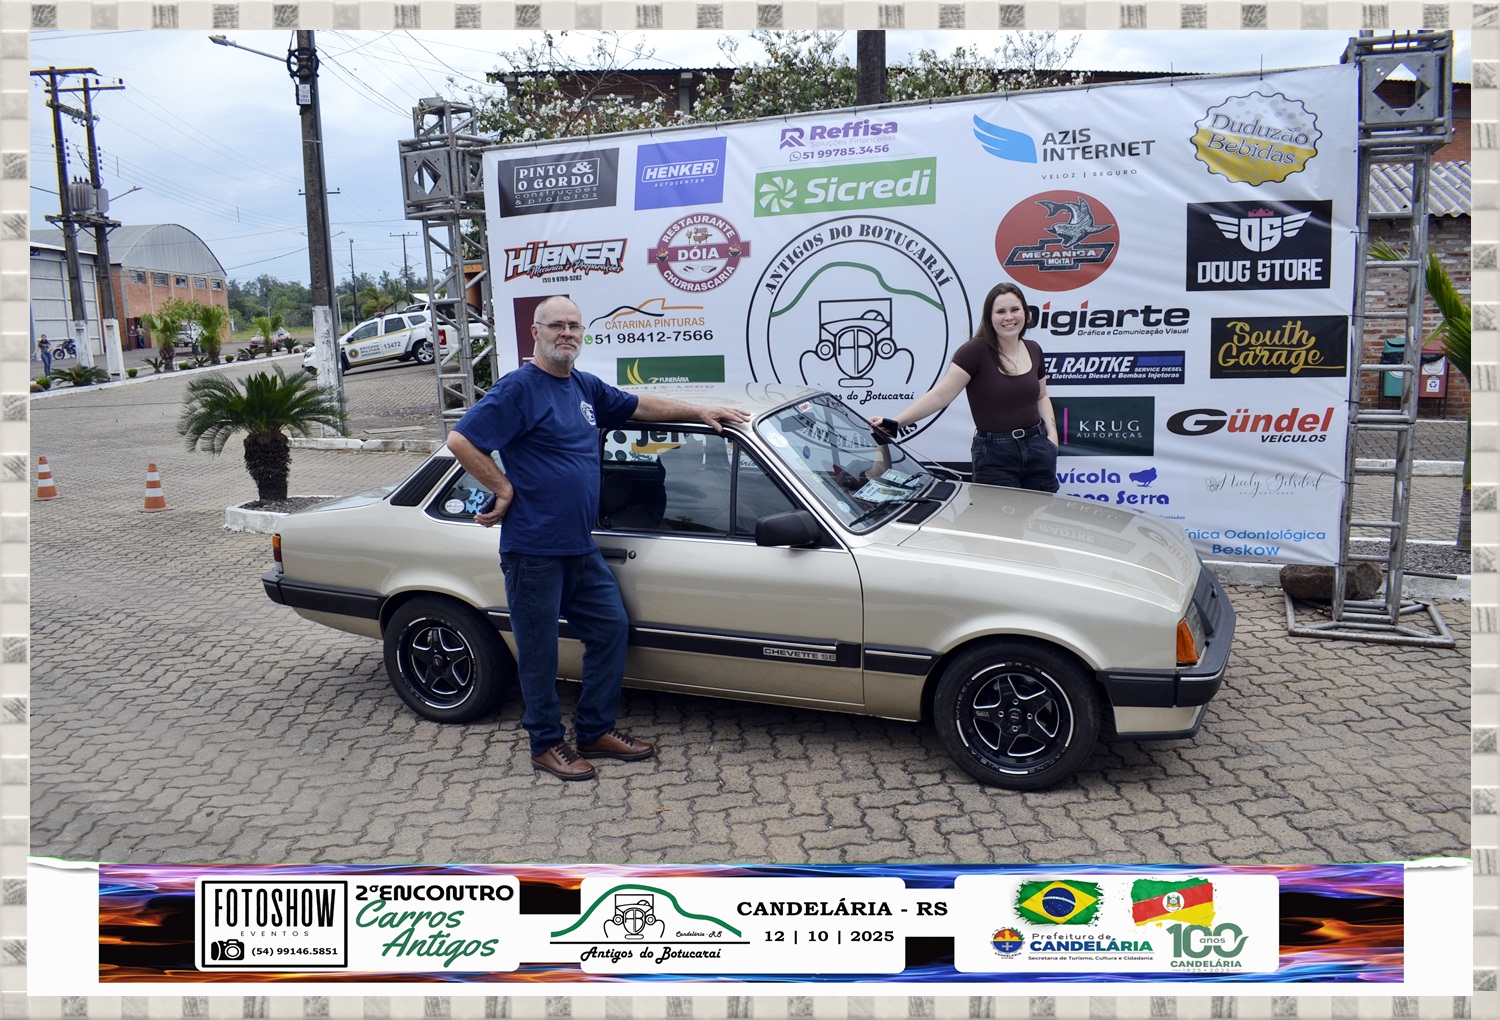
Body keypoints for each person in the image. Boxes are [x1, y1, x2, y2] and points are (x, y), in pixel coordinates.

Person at [446, 296, 751, 781]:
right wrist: (502, 488)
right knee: (540, 651)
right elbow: (461, 440)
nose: (566, 333)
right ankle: (546, 743)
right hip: (535, 548)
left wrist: (698, 411)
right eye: (556, 325)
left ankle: (593, 730)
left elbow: (641, 405)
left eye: (574, 325)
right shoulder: (519, 389)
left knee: (610, 629)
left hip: (580, 546)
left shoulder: (583, 386)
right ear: (536, 332)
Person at [870, 281, 1060, 492]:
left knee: (1042, 512)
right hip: (996, 456)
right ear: (989, 318)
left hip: (1038, 449)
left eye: (1015, 309)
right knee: (999, 514)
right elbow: (941, 395)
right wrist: (895, 423)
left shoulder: (1034, 349)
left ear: (1025, 312)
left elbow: (1042, 396)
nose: (1009, 317)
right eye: (1000, 311)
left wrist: (1052, 438)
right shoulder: (974, 351)